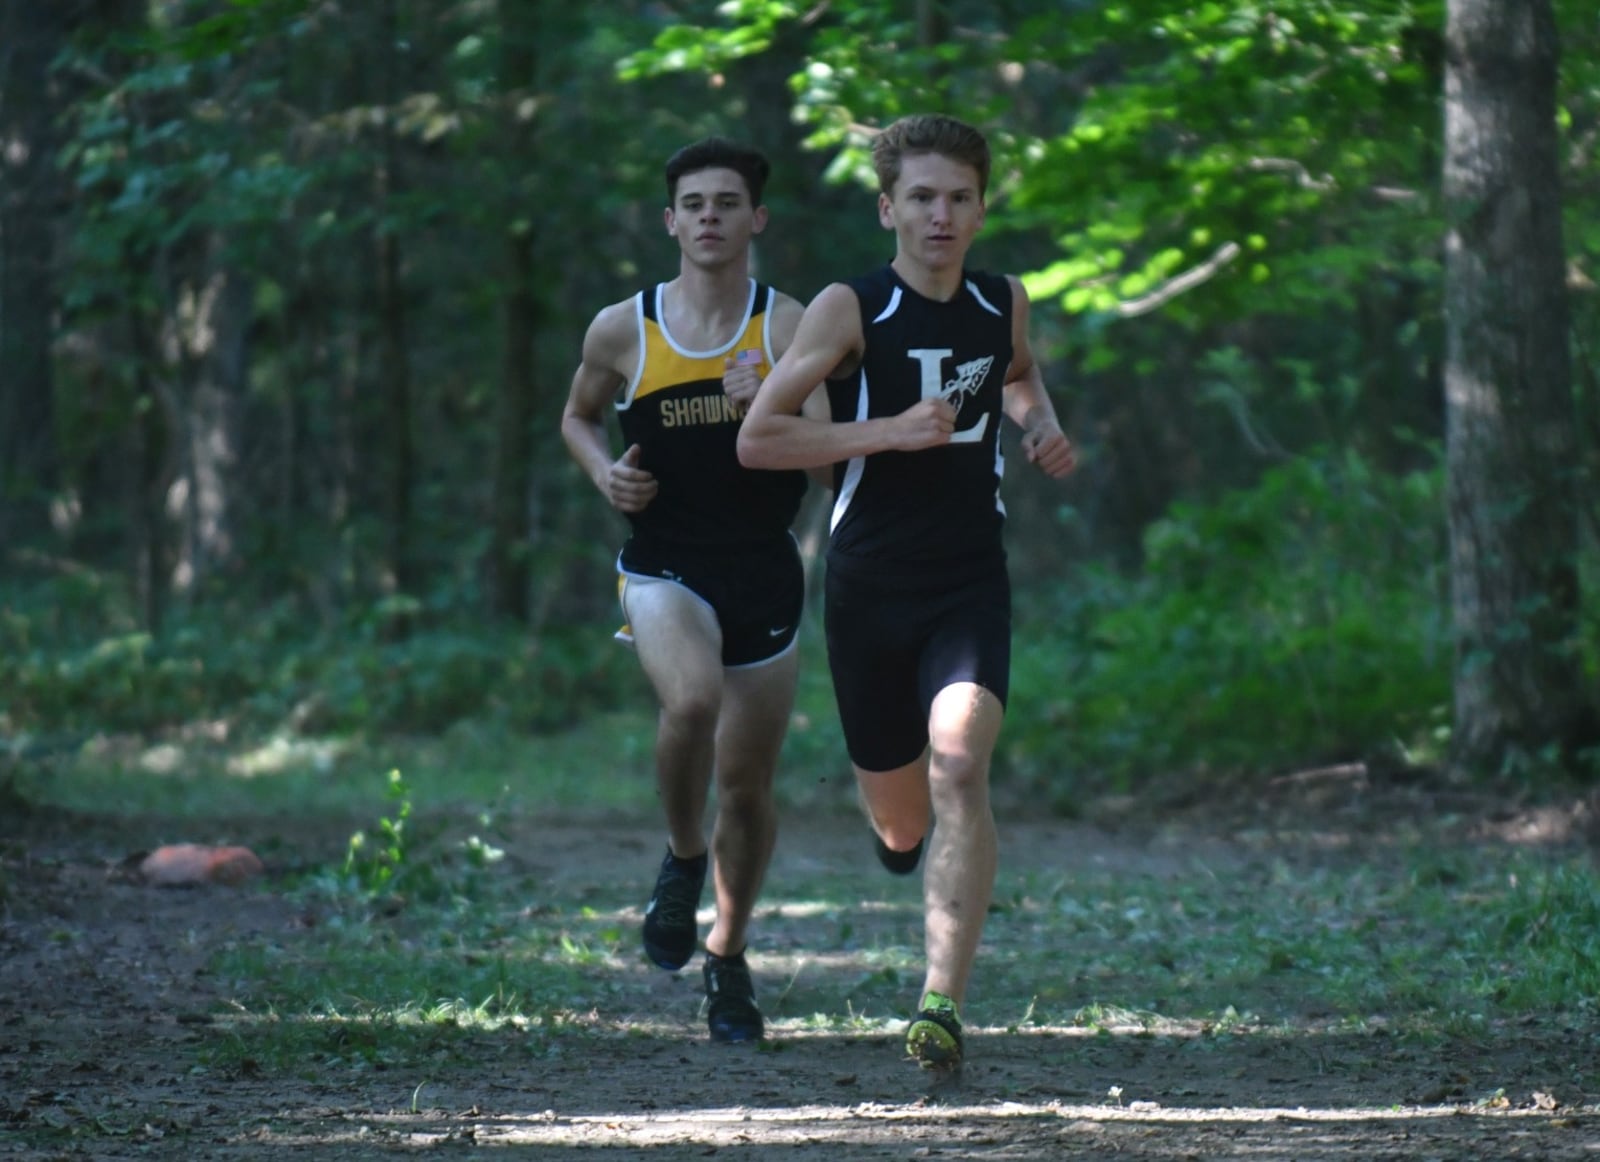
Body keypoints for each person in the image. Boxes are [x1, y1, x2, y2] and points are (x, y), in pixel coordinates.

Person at [737, 114, 1077, 1070]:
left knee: (961, 765)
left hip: (969, 578)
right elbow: (759, 439)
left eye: (958, 198)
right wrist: (886, 431)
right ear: (889, 207)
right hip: (868, 585)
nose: (940, 215)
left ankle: (942, 1004)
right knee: (901, 815)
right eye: (921, 198)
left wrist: (1039, 423)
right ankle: (899, 843)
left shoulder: (1002, 300)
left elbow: (1017, 377)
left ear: (979, 209)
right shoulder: (849, 307)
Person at [560, 137, 825, 1044]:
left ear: (757, 218)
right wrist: (603, 475)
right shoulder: (622, 327)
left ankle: (729, 957)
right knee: (692, 703)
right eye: (694, 203)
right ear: (670, 220)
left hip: (763, 567)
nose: (710, 216)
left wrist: (770, 405)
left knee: (748, 789)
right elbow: (578, 414)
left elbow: (827, 448)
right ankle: (682, 855)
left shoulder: (786, 324)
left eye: (728, 202)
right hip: (664, 561)